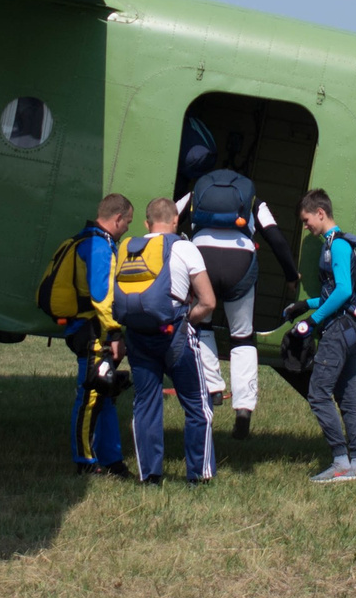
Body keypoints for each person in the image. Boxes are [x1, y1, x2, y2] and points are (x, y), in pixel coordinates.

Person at [178, 169, 300, 439]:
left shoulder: (195, 194)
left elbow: (169, 222)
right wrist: (291, 275)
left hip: (202, 259)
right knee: (242, 336)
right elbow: (275, 237)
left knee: (201, 325)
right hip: (240, 263)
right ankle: (244, 406)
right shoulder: (253, 200)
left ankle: (213, 387)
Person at [114, 197, 219, 485]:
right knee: (198, 406)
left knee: (145, 405)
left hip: (137, 336)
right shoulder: (184, 247)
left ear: (146, 224)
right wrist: (187, 320)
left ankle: (150, 476)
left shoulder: (128, 248)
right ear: (175, 221)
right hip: (175, 337)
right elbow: (208, 301)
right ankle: (199, 475)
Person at [290, 188, 356, 483]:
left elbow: (345, 291)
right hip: (350, 329)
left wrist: (312, 322)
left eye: (307, 219)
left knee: (318, 393)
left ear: (320, 213)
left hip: (339, 330)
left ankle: (340, 463)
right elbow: (333, 294)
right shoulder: (335, 244)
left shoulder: (337, 245)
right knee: (348, 398)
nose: (306, 226)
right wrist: (303, 305)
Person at [63, 194, 133, 477]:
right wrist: (115, 333)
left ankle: (112, 459)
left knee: (106, 392)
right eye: (127, 222)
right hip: (94, 333)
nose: (127, 227)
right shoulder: (100, 247)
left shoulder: (88, 240)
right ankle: (85, 462)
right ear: (117, 219)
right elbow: (102, 297)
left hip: (91, 330)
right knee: (91, 397)